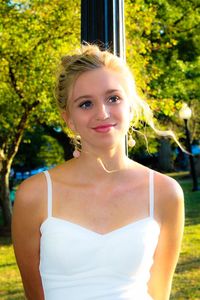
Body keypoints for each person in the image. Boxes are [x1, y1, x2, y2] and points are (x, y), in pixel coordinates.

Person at [12, 44, 184, 300]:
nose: (102, 113)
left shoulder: (165, 192)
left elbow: (159, 293)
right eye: (85, 104)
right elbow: (34, 294)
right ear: (68, 118)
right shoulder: (34, 194)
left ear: (130, 106)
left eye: (113, 98)